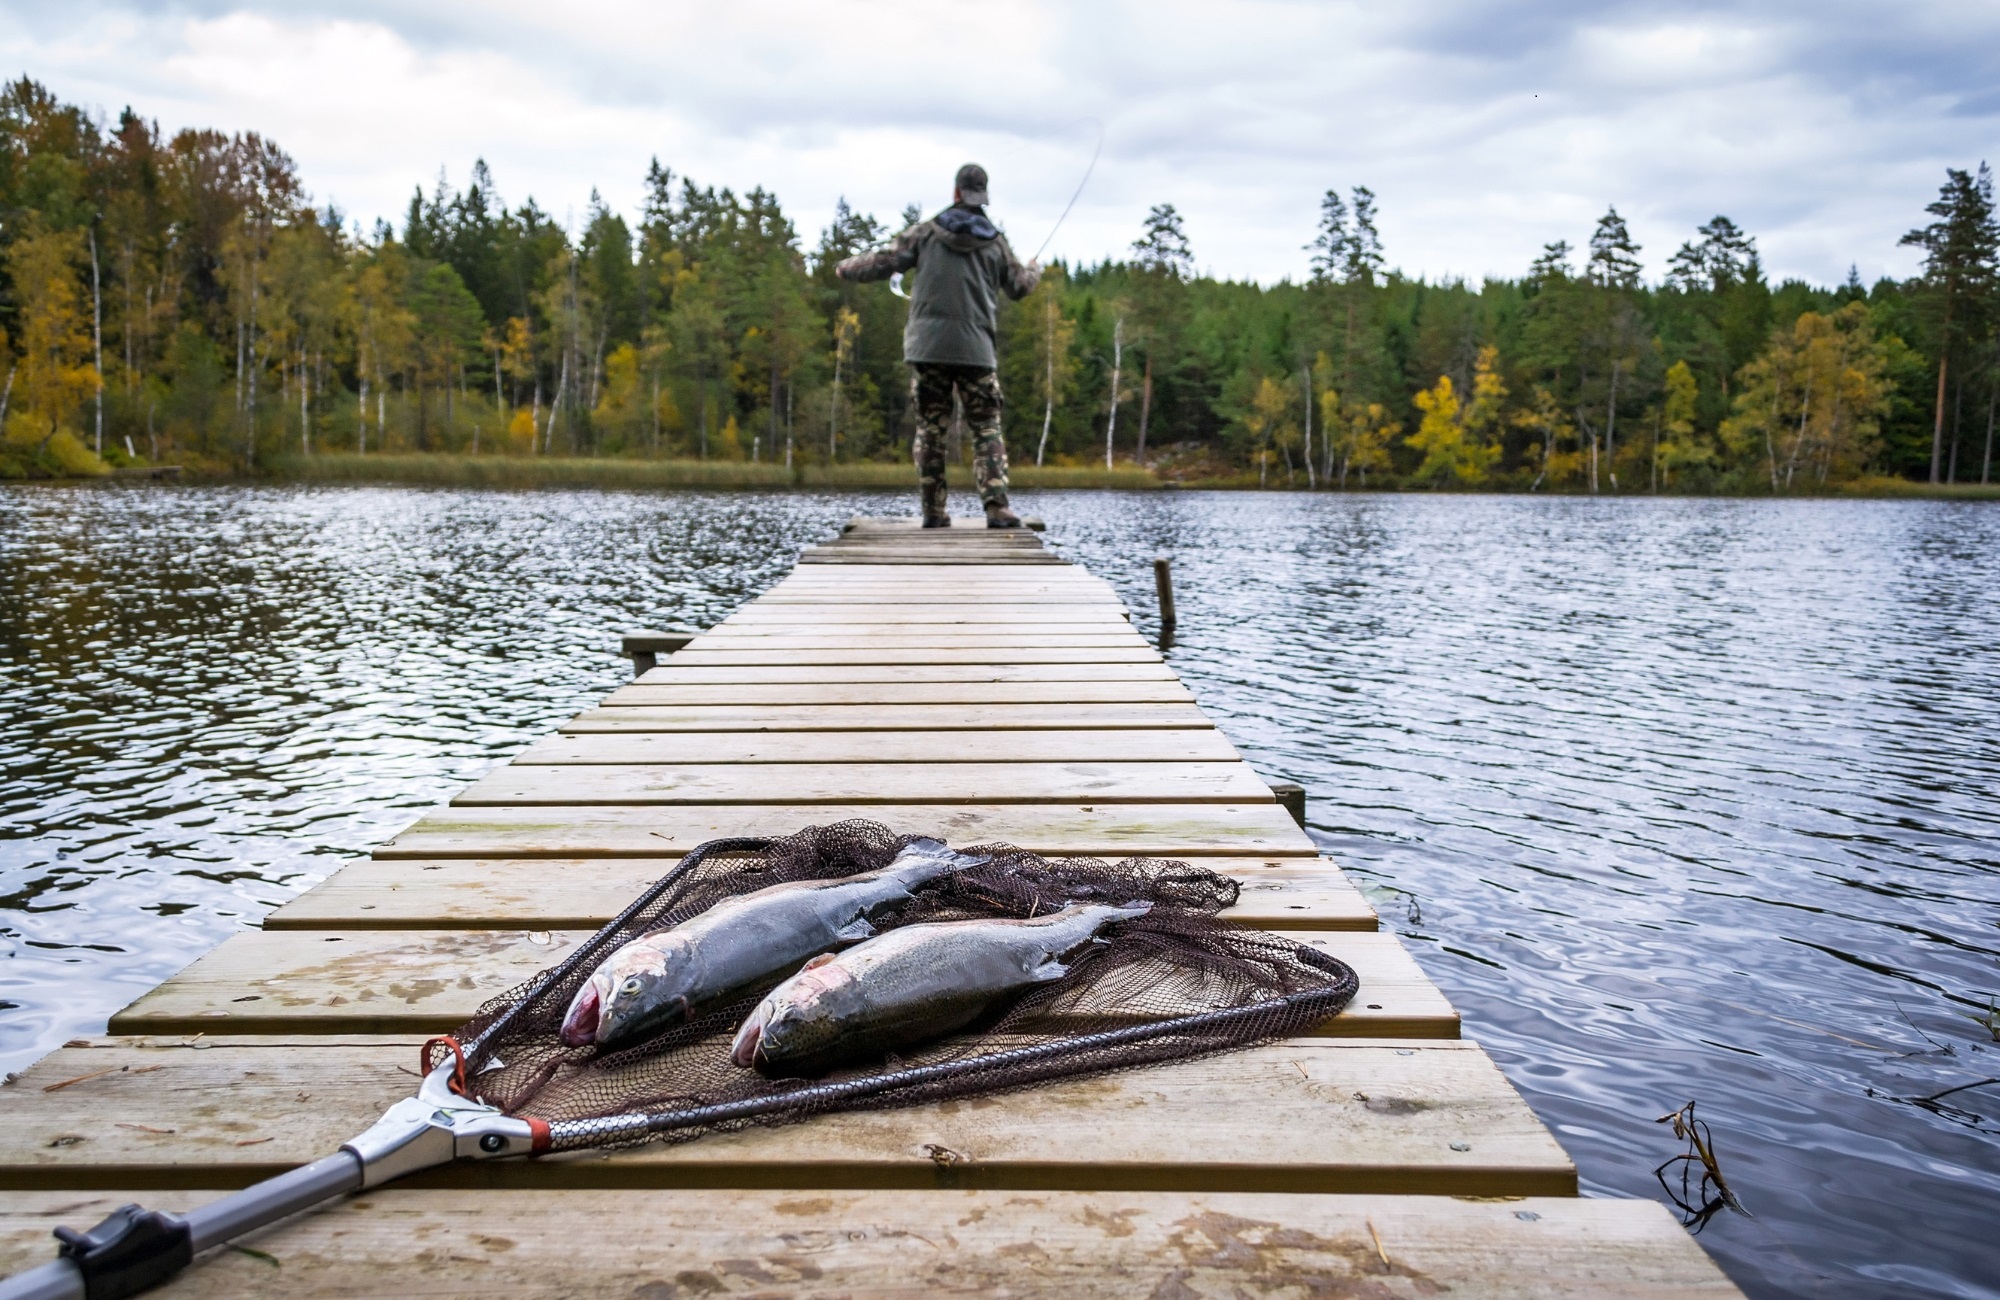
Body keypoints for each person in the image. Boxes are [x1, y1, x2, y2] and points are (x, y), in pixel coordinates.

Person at [837, 163, 1041, 528]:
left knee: (931, 428)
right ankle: (997, 507)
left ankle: (934, 512)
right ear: (983, 195)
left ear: (956, 192)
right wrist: (1034, 270)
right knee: (986, 427)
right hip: (977, 352)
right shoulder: (996, 243)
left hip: (927, 350)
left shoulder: (926, 233)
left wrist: (846, 268)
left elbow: (884, 262)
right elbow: (1019, 287)